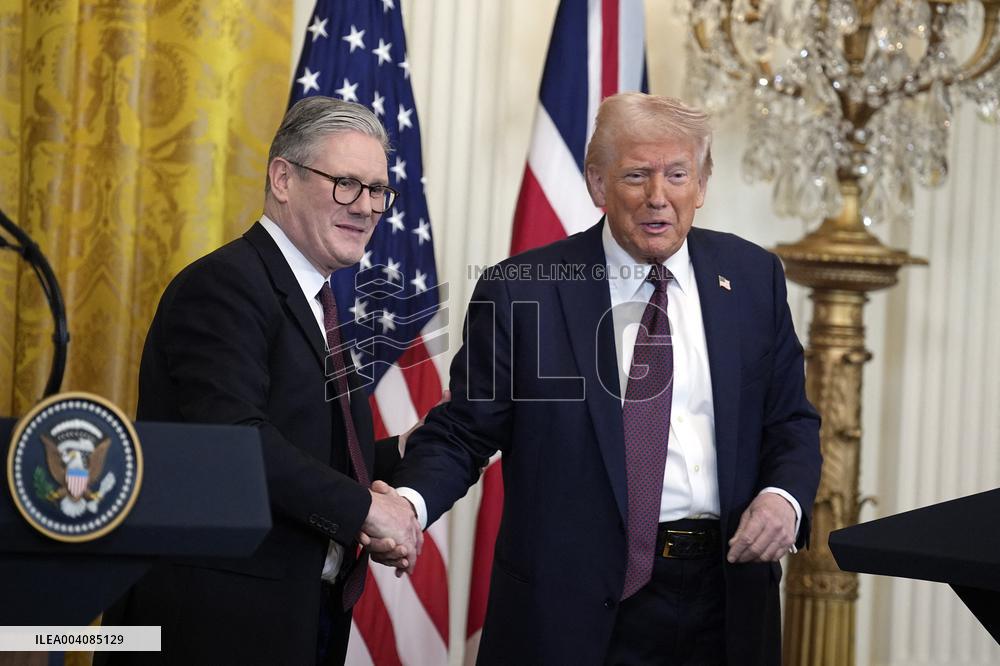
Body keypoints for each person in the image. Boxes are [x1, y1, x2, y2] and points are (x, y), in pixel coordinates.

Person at [392, 93, 822, 665]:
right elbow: (465, 431)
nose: (658, 198)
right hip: (575, 610)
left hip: (728, 598)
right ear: (597, 185)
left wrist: (783, 498)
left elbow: (790, 418)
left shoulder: (752, 276)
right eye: (636, 176)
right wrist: (408, 504)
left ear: (702, 183)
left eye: (676, 175)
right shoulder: (526, 291)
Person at [103, 96, 422, 666]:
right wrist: (366, 511)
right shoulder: (224, 287)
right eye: (347, 183)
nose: (368, 207)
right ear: (282, 178)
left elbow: (306, 451)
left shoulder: (314, 300)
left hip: (297, 616)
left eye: (377, 190)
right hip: (210, 627)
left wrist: (397, 454)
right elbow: (235, 445)